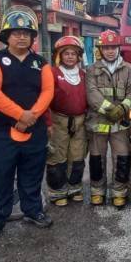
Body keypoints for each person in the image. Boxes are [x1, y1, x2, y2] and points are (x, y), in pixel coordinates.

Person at [0, 9, 55, 241]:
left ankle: (32, 210)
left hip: (34, 128)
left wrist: (31, 116)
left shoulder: (40, 63)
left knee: (32, 173)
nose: (21, 37)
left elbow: (48, 91)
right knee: (0, 174)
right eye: (16, 33)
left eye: (26, 33)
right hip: (1, 130)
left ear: (33, 37)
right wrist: (20, 114)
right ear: (6, 35)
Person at [85, 29, 131, 208]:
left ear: (118, 48)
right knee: (97, 160)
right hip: (97, 123)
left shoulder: (128, 69)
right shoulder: (91, 69)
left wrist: (122, 108)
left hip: (120, 124)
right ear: (100, 49)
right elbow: (92, 94)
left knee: (122, 158)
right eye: (106, 47)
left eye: (113, 47)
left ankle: (119, 193)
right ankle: (97, 192)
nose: (110, 51)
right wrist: (111, 110)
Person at [46, 36, 89, 206]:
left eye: (74, 54)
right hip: (59, 122)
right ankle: (57, 192)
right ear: (59, 56)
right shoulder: (52, 73)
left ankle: (75, 188)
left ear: (79, 56)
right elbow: (45, 100)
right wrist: (48, 123)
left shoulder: (84, 75)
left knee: (77, 156)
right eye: (66, 54)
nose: (70, 56)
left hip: (80, 122)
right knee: (57, 157)